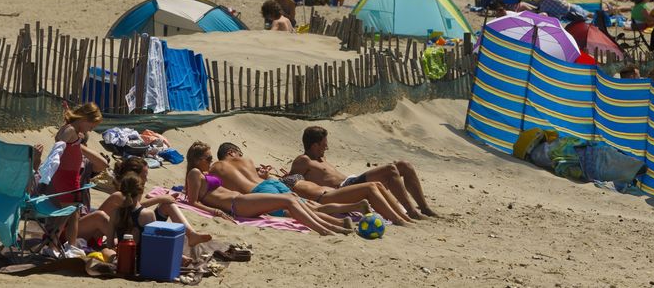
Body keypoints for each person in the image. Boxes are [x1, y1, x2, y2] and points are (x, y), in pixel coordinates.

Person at [183, 142, 345, 236]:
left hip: (240, 200)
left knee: (292, 199)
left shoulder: (202, 172)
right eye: (208, 158)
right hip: (236, 204)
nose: (211, 161)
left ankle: (328, 226)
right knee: (290, 200)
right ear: (197, 160)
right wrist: (214, 212)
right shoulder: (195, 173)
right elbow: (193, 201)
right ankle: (324, 229)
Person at [289, 126, 436, 219]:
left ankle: (424, 207)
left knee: (405, 165)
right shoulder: (303, 160)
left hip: (352, 181)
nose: (326, 148)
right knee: (390, 169)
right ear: (315, 145)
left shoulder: (320, 158)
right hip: (344, 189)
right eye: (324, 145)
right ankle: (412, 212)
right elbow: (291, 181)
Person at [97, 157, 213, 249]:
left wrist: (163, 199)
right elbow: (133, 208)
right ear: (134, 176)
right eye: (144, 176)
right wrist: (159, 199)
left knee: (167, 205)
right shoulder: (120, 195)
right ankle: (190, 236)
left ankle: (191, 234)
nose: (146, 179)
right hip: (127, 233)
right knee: (161, 206)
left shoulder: (132, 192)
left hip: (131, 229)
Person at [48, 103, 105, 245]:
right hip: (67, 177)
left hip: (69, 177)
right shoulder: (71, 130)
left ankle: (69, 246)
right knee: (68, 213)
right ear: (85, 119)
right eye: (91, 127)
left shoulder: (73, 129)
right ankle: (53, 244)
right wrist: (60, 150)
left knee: (74, 214)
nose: (90, 130)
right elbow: (60, 141)